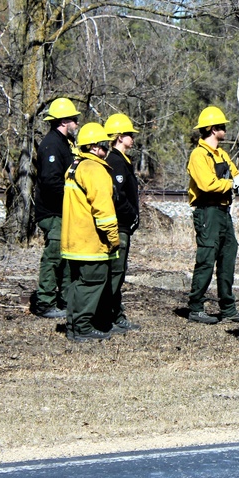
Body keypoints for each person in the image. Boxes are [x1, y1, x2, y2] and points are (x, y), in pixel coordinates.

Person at [185, 106, 239, 325]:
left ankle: (228, 308)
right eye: (221, 126)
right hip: (207, 212)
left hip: (223, 211)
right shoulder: (198, 155)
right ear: (213, 129)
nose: (225, 129)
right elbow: (206, 184)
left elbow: (234, 172)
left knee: (228, 255)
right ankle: (195, 307)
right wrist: (232, 184)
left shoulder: (221, 154)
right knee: (206, 258)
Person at [61, 122, 119, 342]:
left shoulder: (75, 167)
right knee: (92, 282)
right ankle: (83, 326)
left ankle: (74, 325)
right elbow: (103, 211)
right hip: (91, 241)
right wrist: (113, 239)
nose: (106, 151)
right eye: (104, 146)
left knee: (78, 282)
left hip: (74, 241)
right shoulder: (95, 170)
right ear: (94, 147)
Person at [32, 97, 80, 319]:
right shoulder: (52, 144)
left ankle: (63, 300)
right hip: (53, 213)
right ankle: (45, 302)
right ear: (63, 121)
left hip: (64, 213)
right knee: (54, 257)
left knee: (66, 257)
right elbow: (51, 183)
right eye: (74, 119)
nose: (77, 124)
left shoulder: (64, 144)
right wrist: (72, 201)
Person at [102, 113, 142, 333]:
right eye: (128, 134)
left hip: (125, 226)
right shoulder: (115, 162)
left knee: (119, 271)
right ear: (118, 137)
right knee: (115, 272)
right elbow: (118, 196)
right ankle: (106, 316)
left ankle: (116, 314)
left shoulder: (124, 161)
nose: (132, 138)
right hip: (119, 226)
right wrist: (131, 214)